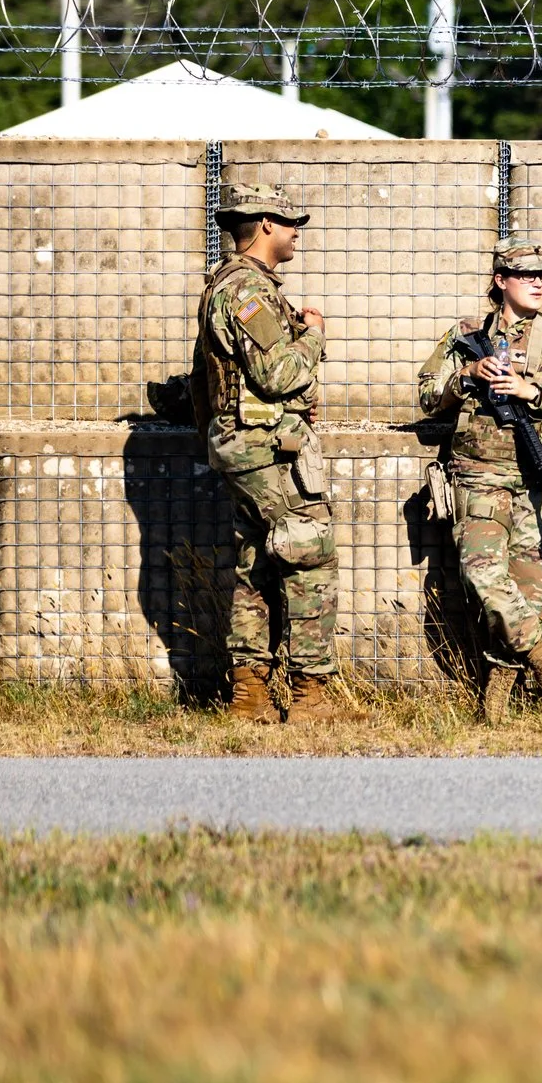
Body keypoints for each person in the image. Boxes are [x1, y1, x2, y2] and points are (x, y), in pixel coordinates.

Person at [417, 239, 542, 724]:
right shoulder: (465, 334)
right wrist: (467, 375)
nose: (539, 283)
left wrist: (534, 392)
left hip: (540, 479)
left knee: (529, 595)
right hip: (479, 474)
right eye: (528, 275)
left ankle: (510, 708)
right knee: (482, 578)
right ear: (501, 280)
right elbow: (426, 394)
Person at [193, 182, 350, 725]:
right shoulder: (246, 291)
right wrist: (315, 334)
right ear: (262, 225)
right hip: (264, 449)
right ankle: (312, 699)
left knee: (256, 566)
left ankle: (249, 696)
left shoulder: (237, 286)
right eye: (288, 222)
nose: (295, 232)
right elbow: (280, 373)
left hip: (249, 446)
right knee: (310, 558)